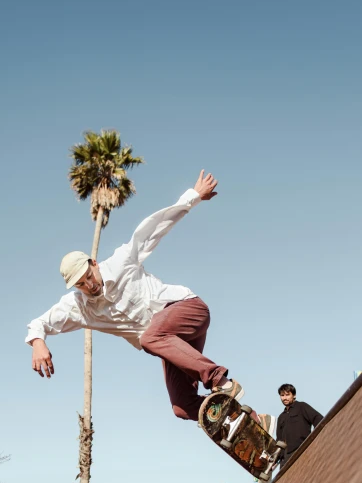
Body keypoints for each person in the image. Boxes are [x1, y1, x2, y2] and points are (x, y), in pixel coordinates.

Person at [26, 170, 269, 427]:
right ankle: (251, 424)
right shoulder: (79, 307)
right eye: (81, 284)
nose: (89, 284)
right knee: (182, 405)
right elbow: (40, 323)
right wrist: (37, 342)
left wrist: (193, 197)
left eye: (89, 276)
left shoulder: (120, 262)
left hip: (188, 309)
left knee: (148, 337)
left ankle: (220, 381)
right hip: (171, 344)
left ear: (94, 263)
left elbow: (153, 229)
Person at [276, 383, 323, 464]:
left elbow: (318, 419)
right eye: (282, 395)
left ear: (294, 395)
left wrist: (316, 441)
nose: (285, 398)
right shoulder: (281, 417)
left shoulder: (302, 406)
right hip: (286, 459)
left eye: (287, 395)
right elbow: (279, 440)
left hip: (304, 450)